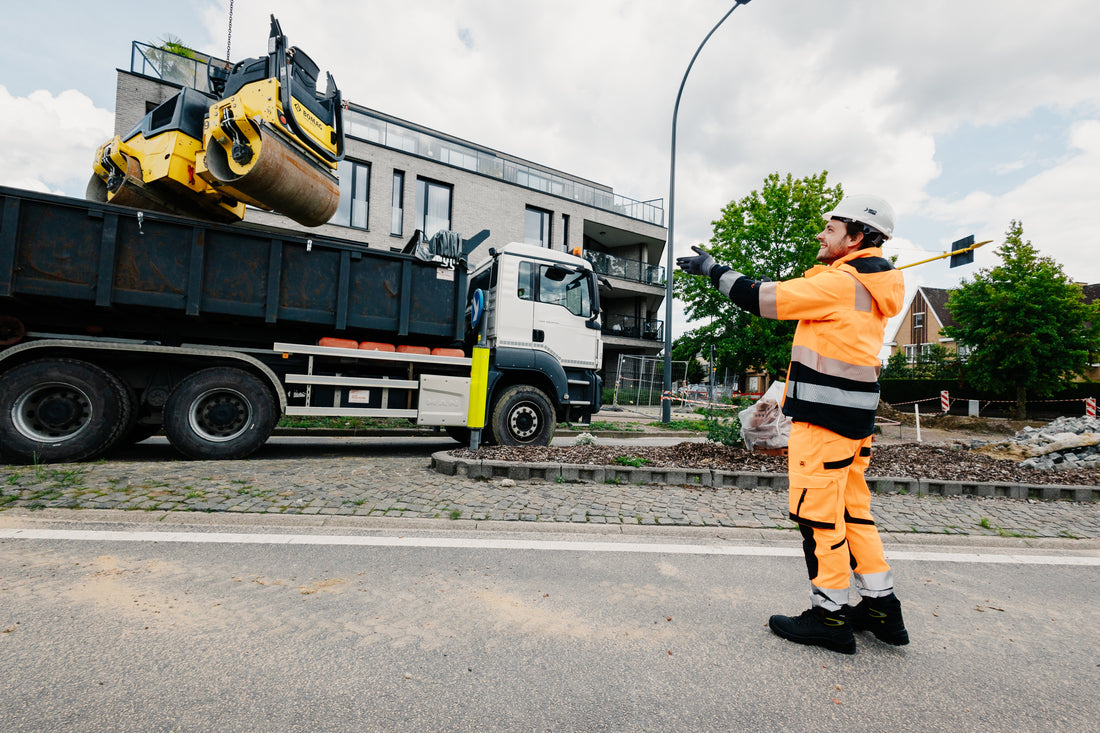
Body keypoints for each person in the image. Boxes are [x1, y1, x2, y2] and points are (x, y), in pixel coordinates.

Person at [676, 194, 910, 654]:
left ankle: (829, 618)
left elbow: (763, 297)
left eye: (830, 228)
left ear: (856, 236)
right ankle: (882, 610)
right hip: (854, 421)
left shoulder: (842, 283)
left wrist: (712, 270)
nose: (821, 235)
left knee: (818, 519)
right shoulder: (873, 286)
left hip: (823, 424)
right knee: (852, 513)